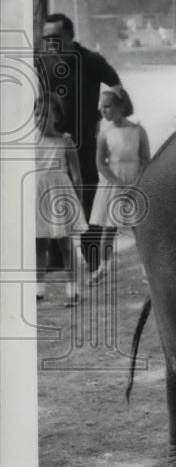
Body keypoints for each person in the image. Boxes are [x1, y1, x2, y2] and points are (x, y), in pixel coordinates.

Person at [35, 13, 122, 269]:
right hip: (52, 142)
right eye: (47, 38)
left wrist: (106, 117)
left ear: (71, 36)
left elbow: (116, 86)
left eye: (56, 37)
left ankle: (92, 255)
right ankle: (58, 258)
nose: (51, 43)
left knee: (87, 195)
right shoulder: (42, 61)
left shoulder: (91, 60)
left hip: (85, 142)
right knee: (52, 196)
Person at [88, 86, 151, 284]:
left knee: (137, 227)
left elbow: (145, 160)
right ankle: (103, 267)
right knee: (109, 227)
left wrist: (135, 184)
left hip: (135, 181)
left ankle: (146, 269)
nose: (103, 111)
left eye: (107, 107)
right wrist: (119, 184)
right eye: (101, 107)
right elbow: (100, 163)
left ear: (121, 106)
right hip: (113, 182)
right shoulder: (104, 133)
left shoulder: (138, 130)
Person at [35, 91, 89, 306]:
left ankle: (73, 289)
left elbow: (77, 176)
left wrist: (80, 205)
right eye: (37, 114)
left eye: (46, 114)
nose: (41, 119)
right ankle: (38, 289)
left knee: (65, 245)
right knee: (39, 245)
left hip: (59, 195)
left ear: (56, 116)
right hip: (36, 195)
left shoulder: (64, 141)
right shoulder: (29, 140)